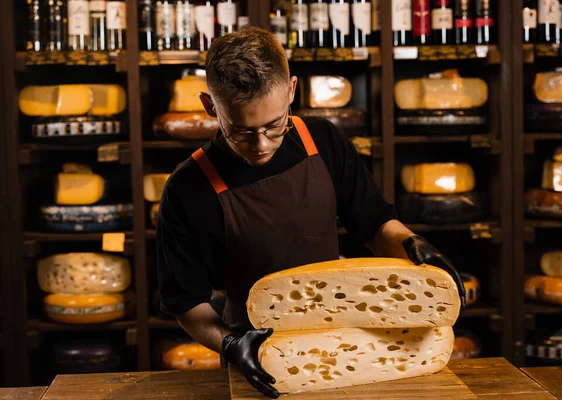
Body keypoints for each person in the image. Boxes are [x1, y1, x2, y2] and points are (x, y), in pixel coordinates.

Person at [156, 26, 465, 399]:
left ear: (291, 91)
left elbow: (375, 223)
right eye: (240, 131)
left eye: (274, 126)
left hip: (344, 342)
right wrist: (232, 344)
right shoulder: (187, 189)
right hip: (257, 353)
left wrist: (411, 242)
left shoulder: (323, 140)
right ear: (210, 106)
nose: (260, 145)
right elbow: (187, 304)